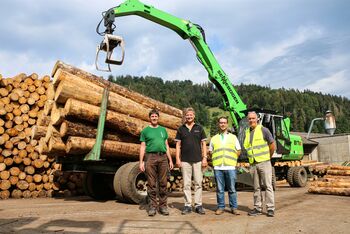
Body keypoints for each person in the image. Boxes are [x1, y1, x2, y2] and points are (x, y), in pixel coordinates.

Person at [139, 109, 174, 217]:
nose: (154, 118)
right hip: (150, 157)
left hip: (163, 157)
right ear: (150, 118)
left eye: (156, 116)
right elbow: (142, 146)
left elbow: (166, 145)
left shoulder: (163, 130)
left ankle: (163, 206)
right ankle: (152, 207)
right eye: (152, 116)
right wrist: (141, 162)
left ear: (158, 118)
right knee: (152, 183)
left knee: (163, 183)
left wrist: (170, 160)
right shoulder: (145, 131)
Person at [175, 107, 207, 215]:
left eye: (191, 115)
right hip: (185, 160)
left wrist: (204, 158)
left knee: (198, 183)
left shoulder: (200, 128)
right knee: (186, 184)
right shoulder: (181, 129)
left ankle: (198, 205)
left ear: (194, 116)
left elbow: (203, 144)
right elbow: (178, 145)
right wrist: (177, 159)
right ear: (185, 116)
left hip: (198, 160)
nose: (189, 117)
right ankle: (187, 205)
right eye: (187, 115)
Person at [244, 111, 276, 217]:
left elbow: (272, 145)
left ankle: (270, 208)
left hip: (264, 162)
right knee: (256, 187)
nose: (251, 120)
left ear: (257, 119)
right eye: (249, 119)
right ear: (247, 120)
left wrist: (268, 157)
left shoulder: (263, 130)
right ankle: (257, 208)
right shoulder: (247, 132)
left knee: (268, 186)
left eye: (253, 118)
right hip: (253, 164)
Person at [209, 116, 241, 215]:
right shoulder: (214, 138)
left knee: (232, 188)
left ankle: (234, 207)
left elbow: (238, 150)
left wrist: (232, 158)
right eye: (221, 123)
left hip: (230, 166)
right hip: (218, 167)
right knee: (220, 189)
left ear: (227, 124)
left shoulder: (233, 137)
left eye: (224, 123)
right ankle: (221, 207)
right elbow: (210, 151)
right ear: (219, 124)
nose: (222, 124)